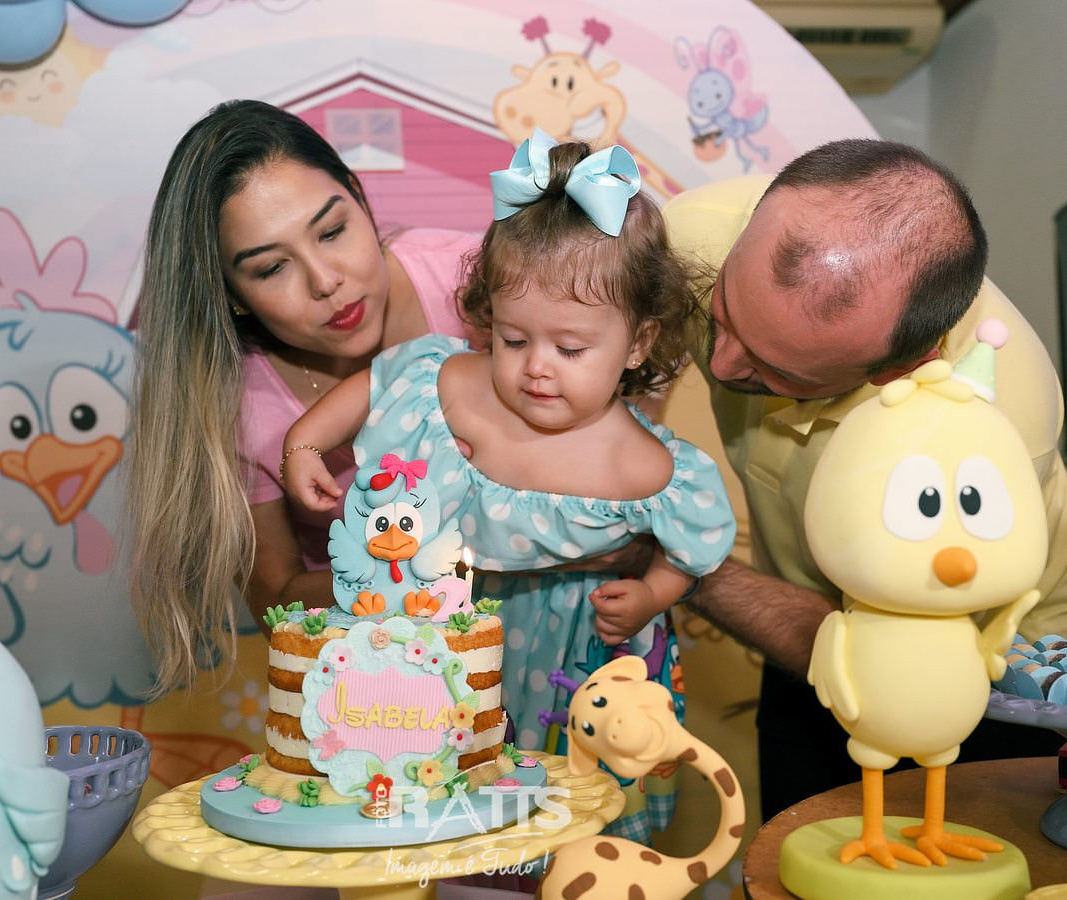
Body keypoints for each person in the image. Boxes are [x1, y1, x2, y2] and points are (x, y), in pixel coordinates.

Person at [283, 132, 737, 843]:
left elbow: (694, 545)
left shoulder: (643, 465)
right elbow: (376, 384)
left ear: (639, 343)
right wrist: (306, 441)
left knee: (578, 826)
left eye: (570, 348)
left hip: (579, 658)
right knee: (449, 811)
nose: (536, 368)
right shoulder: (452, 384)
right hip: (451, 641)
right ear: (488, 318)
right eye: (514, 339)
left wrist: (652, 593)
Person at [661, 138, 1067, 819]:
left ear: (897, 371)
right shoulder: (690, 237)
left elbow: (876, 660)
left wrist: (671, 562)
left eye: (777, 372)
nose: (721, 364)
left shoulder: (990, 427)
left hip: (980, 676)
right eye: (720, 313)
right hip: (803, 622)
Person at [128, 99, 478, 694]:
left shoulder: (479, 283)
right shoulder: (232, 405)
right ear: (229, 292)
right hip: (385, 694)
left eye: (333, 231)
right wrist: (460, 575)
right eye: (271, 268)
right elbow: (280, 603)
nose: (325, 281)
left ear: (359, 197)